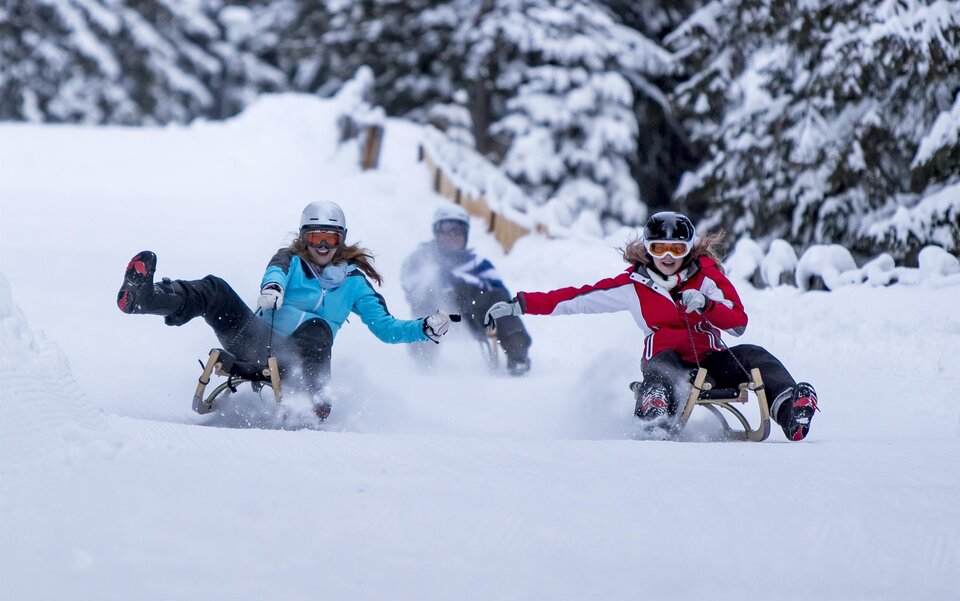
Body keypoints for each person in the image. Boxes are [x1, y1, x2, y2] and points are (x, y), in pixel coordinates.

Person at [484, 211, 818, 440]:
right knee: (662, 365)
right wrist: (521, 304)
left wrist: (707, 305)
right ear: (648, 249)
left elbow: (738, 323)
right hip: (668, 361)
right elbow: (577, 298)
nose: (668, 256)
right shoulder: (633, 285)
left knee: (754, 355)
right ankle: (655, 409)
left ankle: (791, 408)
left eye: (677, 248)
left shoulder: (706, 277)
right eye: (659, 248)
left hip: (712, 361)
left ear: (688, 249)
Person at [117, 200, 455, 421]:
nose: (322, 246)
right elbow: (276, 272)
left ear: (341, 240)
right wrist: (272, 289)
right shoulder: (291, 260)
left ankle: (315, 398)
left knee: (319, 327)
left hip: (300, 362)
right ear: (304, 238)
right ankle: (146, 298)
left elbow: (386, 327)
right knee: (215, 288)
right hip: (256, 340)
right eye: (315, 238)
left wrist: (423, 328)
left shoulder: (354, 283)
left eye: (330, 239)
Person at [401, 203, 532, 375]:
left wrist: (466, 285)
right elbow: (411, 287)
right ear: (437, 231)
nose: (452, 235)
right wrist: (439, 283)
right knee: (428, 291)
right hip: (436, 312)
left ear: (466, 234)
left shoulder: (479, 264)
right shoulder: (422, 259)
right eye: (446, 229)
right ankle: (423, 361)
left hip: (474, 315)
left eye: (458, 230)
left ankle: (518, 354)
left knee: (498, 298)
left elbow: (502, 293)